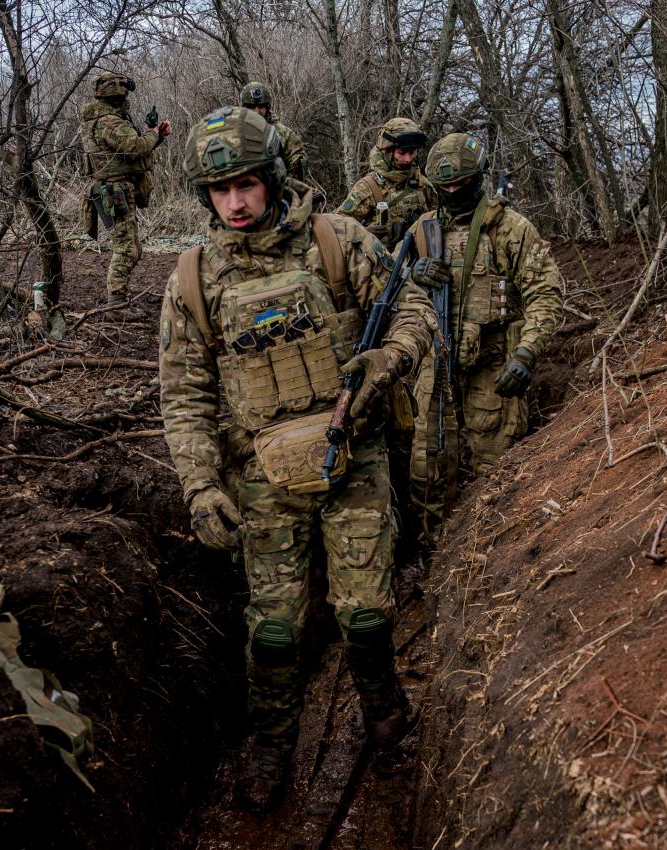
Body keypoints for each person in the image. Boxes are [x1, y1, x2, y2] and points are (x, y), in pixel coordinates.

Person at [158, 106, 436, 810]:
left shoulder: (337, 240)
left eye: (246, 184)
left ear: (271, 178)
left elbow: (413, 312)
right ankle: (273, 744)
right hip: (264, 480)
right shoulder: (194, 279)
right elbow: (184, 396)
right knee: (275, 633)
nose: (236, 202)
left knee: (366, 616)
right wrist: (199, 488)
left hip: (355, 460)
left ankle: (386, 720)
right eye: (219, 192)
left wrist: (389, 357)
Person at [404, 133, 565, 545]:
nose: (453, 192)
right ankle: (434, 556)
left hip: (492, 371)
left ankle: (492, 554)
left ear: (479, 178)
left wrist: (527, 353)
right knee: (430, 467)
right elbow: (378, 289)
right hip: (435, 374)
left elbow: (545, 292)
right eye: (446, 187)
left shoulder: (509, 228)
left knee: (497, 469)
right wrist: (412, 274)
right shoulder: (421, 231)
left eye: (462, 184)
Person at [80, 72, 171, 303]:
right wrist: (152, 134)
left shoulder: (104, 121)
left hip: (115, 190)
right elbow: (136, 147)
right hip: (113, 192)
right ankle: (116, 302)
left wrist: (156, 136)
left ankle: (118, 298)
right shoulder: (109, 122)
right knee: (126, 249)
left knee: (132, 247)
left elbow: (127, 152)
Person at [340, 117, 434, 247]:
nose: (408, 159)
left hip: (417, 260)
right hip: (380, 262)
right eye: (402, 152)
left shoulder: (421, 183)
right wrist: (363, 233)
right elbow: (339, 225)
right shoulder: (368, 187)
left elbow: (439, 217)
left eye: (412, 152)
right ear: (388, 151)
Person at [240, 81, 307, 181]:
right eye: (251, 107)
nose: (257, 112)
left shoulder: (283, 134)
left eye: (261, 106)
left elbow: (299, 166)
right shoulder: (236, 134)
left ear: (267, 107)